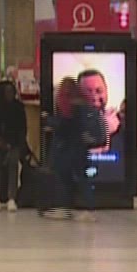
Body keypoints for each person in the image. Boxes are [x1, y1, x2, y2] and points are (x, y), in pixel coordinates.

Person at [41, 77, 99, 222]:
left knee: (65, 179)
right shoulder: (82, 104)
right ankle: (86, 208)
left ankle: (67, 208)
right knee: (80, 178)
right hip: (79, 149)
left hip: (66, 149)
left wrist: (48, 120)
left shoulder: (67, 104)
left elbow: (64, 124)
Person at [0, 80, 27, 212]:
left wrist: (13, 143)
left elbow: (22, 128)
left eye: (12, 92)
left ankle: (11, 197)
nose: (10, 95)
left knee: (13, 168)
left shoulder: (18, 108)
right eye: (7, 92)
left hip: (13, 143)